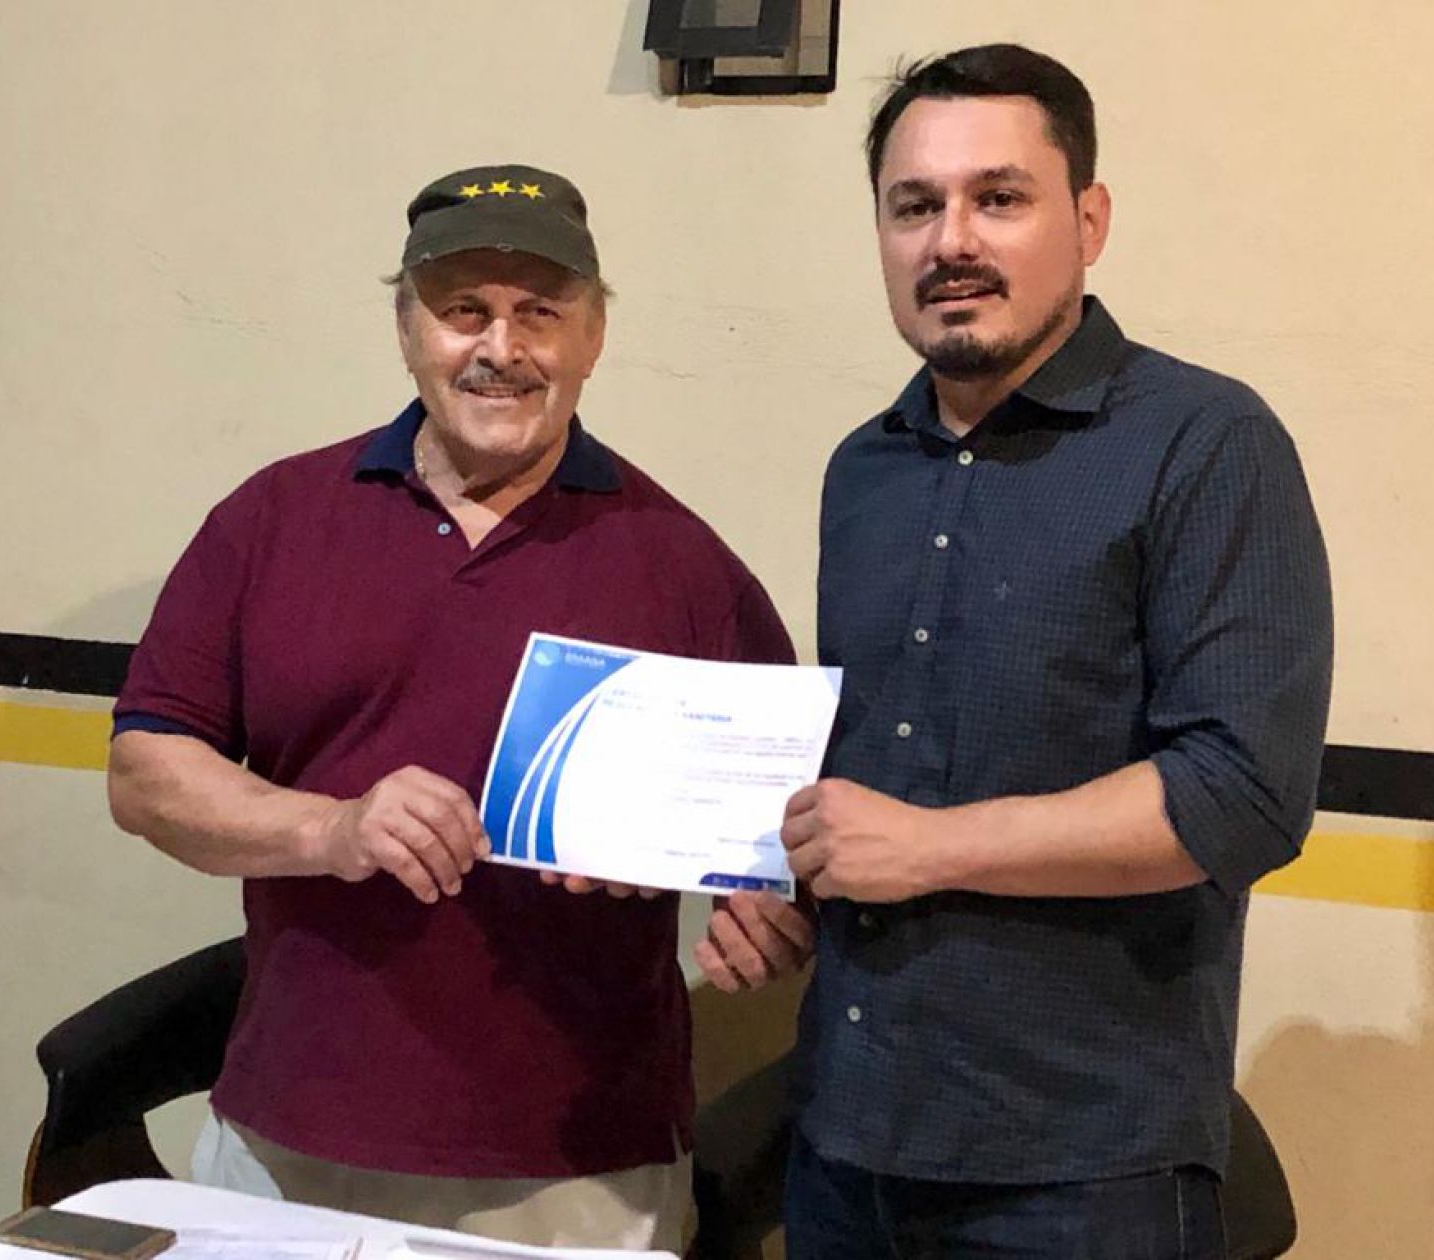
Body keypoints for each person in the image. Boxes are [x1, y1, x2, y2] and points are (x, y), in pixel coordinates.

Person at [106, 162, 812, 1253]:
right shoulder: (272, 519)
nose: (501, 347)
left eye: (541, 313)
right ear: (406, 328)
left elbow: (787, 836)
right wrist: (331, 828)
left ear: (594, 335)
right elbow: (145, 775)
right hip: (290, 1134)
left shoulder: (684, 565)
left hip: (585, 1167)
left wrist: (762, 906)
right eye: (463, 310)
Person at [777, 45, 1333, 1258]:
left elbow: (1242, 795)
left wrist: (928, 848)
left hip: (1084, 1173)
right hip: (845, 1147)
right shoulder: (863, 470)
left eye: (999, 197)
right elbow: (877, 775)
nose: (951, 240)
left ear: (1089, 221)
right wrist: (784, 886)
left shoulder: (1206, 443)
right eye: (914, 206)